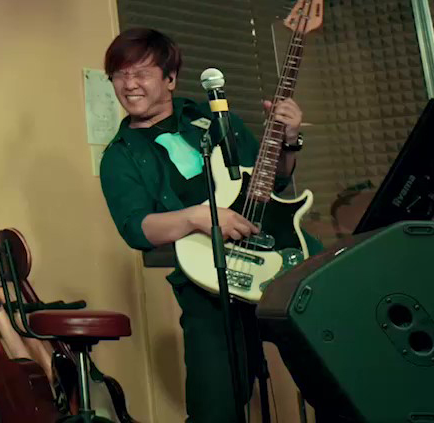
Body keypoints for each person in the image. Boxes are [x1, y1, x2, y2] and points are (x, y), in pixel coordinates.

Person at [96, 27, 303, 423]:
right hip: (204, 282)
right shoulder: (119, 157)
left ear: (170, 78)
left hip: (273, 260)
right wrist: (198, 217)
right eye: (120, 75)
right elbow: (137, 229)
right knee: (216, 405)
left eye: (141, 73)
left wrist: (289, 139)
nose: (129, 84)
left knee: (334, 374)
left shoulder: (214, 120)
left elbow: (270, 183)